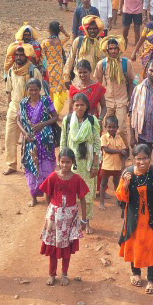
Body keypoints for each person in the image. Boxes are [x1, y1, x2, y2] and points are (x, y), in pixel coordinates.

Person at [116, 143, 153, 294]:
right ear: (133, 159)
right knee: (134, 245)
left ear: (150, 158)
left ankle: (151, 279)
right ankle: (135, 273)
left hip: (151, 219)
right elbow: (121, 198)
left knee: (152, 247)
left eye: (145, 158)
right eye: (138, 159)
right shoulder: (128, 173)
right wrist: (126, 184)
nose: (142, 162)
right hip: (134, 218)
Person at [38, 148, 90, 286]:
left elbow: (83, 199)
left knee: (66, 248)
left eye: (68, 162)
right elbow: (47, 194)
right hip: (54, 218)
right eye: (62, 162)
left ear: (72, 162)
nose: (65, 165)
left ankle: (65, 274)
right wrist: (53, 209)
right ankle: (52, 274)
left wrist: (84, 219)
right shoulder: (53, 177)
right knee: (53, 248)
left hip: (70, 219)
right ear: (59, 162)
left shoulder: (77, 179)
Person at [59, 93, 101, 230]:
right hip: (72, 164)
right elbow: (64, 141)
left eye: (82, 105)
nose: (79, 107)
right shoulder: (67, 120)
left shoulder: (92, 121)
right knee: (70, 193)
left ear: (87, 106)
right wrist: (62, 162)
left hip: (87, 163)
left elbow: (96, 144)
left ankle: (86, 222)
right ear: (73, 106)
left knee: (87, 194)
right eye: (76, 105)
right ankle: (72, 221)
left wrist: (96, 164)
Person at [3, 43, 44, 175]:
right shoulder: (11, 70)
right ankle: (11, 164)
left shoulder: (34, 71)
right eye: (17, 55)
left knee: (31, 138)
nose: (19, 57)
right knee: (10, 137)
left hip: (29, 107)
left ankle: (32, 163)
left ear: (26, 55)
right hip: (14, 107)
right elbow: (9, 91)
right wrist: (9, 107)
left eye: (21, 54)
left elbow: (41, 93)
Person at [19, 78, 60, 204]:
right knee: (31, 168)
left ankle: (49, 197)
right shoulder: (23, 103)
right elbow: (18, 121)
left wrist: (42, 124)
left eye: (36, 90)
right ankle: (34, 197)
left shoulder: (46, 101)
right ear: (27, 90)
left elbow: (55, 117)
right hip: (30, 140)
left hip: (45, 140)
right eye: (31, 90)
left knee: (46, 167)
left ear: (40, 90)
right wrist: (25, 133)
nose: (33, 92)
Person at [92, 36, 135, 138]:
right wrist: (97, 103)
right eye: (110, 49)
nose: (113, 51)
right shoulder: (102, 64)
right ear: (107, 50)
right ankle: (108, 151)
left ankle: (124, 151)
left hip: (122, 101)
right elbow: (97, 84)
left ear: (119, 49)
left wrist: (130, 101)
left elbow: (130, 82)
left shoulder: (126, 63)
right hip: (107, 102)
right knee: (107, 128)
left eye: (115, 48)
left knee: (121, 129)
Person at [41, 21, 71, 115]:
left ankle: (51, 111)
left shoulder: (45, 42)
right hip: (60, 68)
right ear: (58, 30)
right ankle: (57, 111)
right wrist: (63, 31)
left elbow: (41, 55)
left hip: (50, 68)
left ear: (49, 30)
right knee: (59, 90)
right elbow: (68, 37)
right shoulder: (59, 41)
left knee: (50, 90)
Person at [65, 15, 106, 85]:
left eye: (95, 29)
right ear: (86, 29)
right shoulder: (79, 41)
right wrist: (66, 77)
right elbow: (70, 59)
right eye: (90, 29)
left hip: (96, 82)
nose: (92, 31)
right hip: (79, 80)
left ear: (99, 30)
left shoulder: (103, 44)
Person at [98, 115, 128, 207]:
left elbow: (124, 153)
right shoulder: (103, 137)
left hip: (117, 166)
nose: (111, 129)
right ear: (105, 127)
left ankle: (118, 200)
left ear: (117, 128)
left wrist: (123, 165)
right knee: (103, 183)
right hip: (106, 165)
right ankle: (101, 203)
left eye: (114, 127)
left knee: (117, 183)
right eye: (109, 127)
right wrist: (120, 151)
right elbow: (106, 150)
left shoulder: (120, 139)